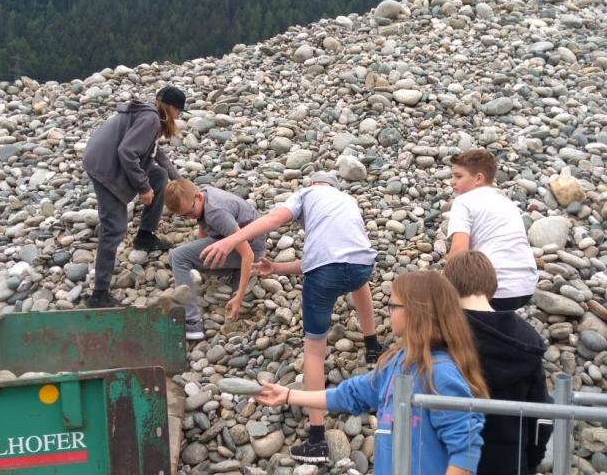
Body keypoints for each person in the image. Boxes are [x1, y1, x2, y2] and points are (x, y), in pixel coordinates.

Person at [200, 171, 382, 463]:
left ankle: (317, 439)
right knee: (358, 282)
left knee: (314, 351)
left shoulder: (306, 194)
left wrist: (230, 240)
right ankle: (373, 347)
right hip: (362, 265)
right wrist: (278, 269)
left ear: (311, 184)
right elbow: (333, 258)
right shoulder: (347, 200)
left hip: (325, 275)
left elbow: (274, 221)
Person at [255, 270, 487, 475]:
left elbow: (465, 453)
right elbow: (352, 394)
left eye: (393, 306)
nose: (387, 311)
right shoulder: (397, 362)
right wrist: (288, 396)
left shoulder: (440, 375)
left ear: (416, 312)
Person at [444, 251, 551, 475]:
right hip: (510, 460)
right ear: (492, 286)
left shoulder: (444, 334)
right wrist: (530, 461)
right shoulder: (527, 337)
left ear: (448, 289)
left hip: (450, 462)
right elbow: (541, 413)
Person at [81, 86, 186, 308]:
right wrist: (143, 187)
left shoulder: (150, 114)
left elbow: (158, 155)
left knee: (159, 175)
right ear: (173, 109)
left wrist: (181, 183)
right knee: (114, 227)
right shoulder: (151, 120)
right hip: (105, 167)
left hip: (104, 157)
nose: (178, 117)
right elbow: (127, 153)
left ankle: (145, 236)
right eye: (179, 112)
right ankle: (99, 293)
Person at [164, 178, 267, 340]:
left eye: (190, 213)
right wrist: (198, 257)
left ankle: (192, 323)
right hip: (231, 244)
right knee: (176, 258)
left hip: (250, 250)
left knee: (178, 256)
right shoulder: (203, 196)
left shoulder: (216, 212)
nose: (189, 218)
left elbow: (248, 255)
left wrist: (239, 297)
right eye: (183, 216)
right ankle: (231, 270)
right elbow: (203, 228)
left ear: (198, 197)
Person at [446, 149, 538, 311]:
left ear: (479, 178)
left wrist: (442, 289)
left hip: (494, 289)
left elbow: (459, 250)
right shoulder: (505, 202)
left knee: (453, 319)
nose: (452, 181)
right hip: (526, 287)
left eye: (458, 176)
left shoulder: (463, 202)